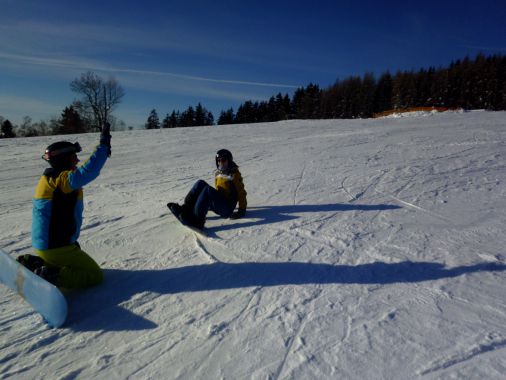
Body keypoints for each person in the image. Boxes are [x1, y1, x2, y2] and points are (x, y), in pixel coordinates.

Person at [23, 123, 112, 288]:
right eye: (73, 158)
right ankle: (53, 275)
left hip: (46, 245)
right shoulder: (61, 180)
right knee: (95, 275)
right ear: (62, 160)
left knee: (71, 261)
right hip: (56, 247)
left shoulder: (48, 179)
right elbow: (87, 172)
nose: (77, 161)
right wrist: (103, 147)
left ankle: (37, 264)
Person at [168, 149, 247, 229]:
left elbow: (242, 193)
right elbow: (218, 191)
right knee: (200, 183)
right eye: (218, 160)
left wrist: (242, 210)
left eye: (223, 160)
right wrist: (207, 203)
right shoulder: (219, 173)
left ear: (229, 160)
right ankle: (186, 209)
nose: (221, 162)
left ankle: (198, 221)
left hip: (227, 208)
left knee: (208, 190)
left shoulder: (234, 175)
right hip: (220, 203)